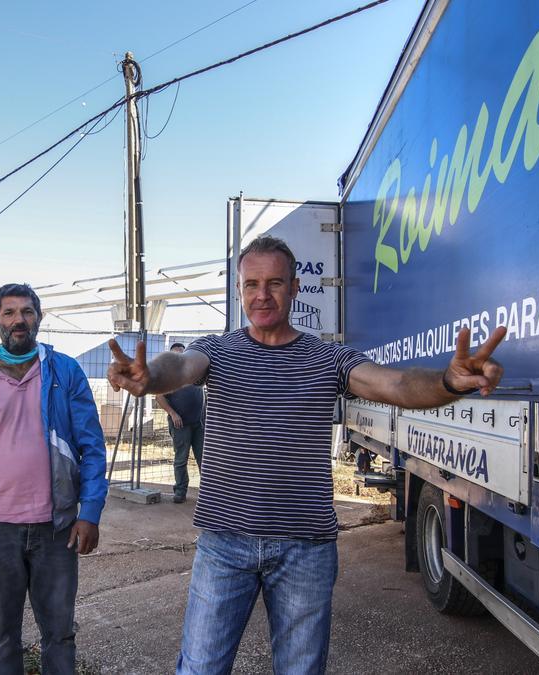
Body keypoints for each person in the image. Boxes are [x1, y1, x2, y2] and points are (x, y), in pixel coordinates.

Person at [107, 235, 506, 675]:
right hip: (224, 543)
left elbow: (391, 385)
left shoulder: (326, 358)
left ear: (295, 287)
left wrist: (446, 383)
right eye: (251, 284)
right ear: (239, 290)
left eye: (275, 282)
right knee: (200, 668)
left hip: (305, 548)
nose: (262, 294)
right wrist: (148, 380)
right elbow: (178, 367)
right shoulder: (218, 352)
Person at [0, 283, 109, 675]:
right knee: (2, 635)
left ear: (39, 318)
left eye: (27, 312)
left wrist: (91, 511)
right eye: (10, 312)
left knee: (60, 633)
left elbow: (92, 447)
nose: (19, 320)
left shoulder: (64, 372)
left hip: (56, 528)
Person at [154, 342, 205, 503]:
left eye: (182, 354)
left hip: (200, 423)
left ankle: (208, 493)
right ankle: (180, 491)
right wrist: (173, 413)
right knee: (181, 458)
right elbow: (159, 397)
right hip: (181, 424)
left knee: (204, 458)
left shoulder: (194, 374)